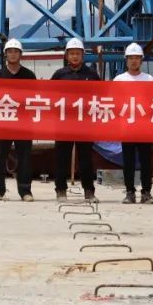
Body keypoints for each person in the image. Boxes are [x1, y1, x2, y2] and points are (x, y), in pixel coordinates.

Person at [51, 38, 100, 202]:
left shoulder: (92, 75)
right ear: (67, 55)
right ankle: (60, 190)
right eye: (71, 53)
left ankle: (89, 191)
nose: (74, 56)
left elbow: (101, 96)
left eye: (77, 53)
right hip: (64, 123)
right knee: (61, 158)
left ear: (82, 55)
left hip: (84, 124)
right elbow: (50, 96)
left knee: (86, 159)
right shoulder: (59, 75)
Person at [0, 39, 36, 202]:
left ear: (21, 54)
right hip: (3, 122)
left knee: (24, 157)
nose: (13, 54)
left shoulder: (29, 76)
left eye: (16, 51)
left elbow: (35, 99)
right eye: (10, 51)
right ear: (5, 54)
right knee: (0, 156)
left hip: (23, 123)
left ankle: (25, 191)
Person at [113, 42, 153, 204]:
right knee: (128, 162)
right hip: (127, 127)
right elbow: (113, 102)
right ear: (126, 60)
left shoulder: (149, 79)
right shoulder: (119, 80)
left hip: (144, 127)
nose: (133, 61)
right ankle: (130, 192)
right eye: (131, 58)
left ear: (141, 60)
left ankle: (146, 192)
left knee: (146, 162)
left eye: (137, 58)